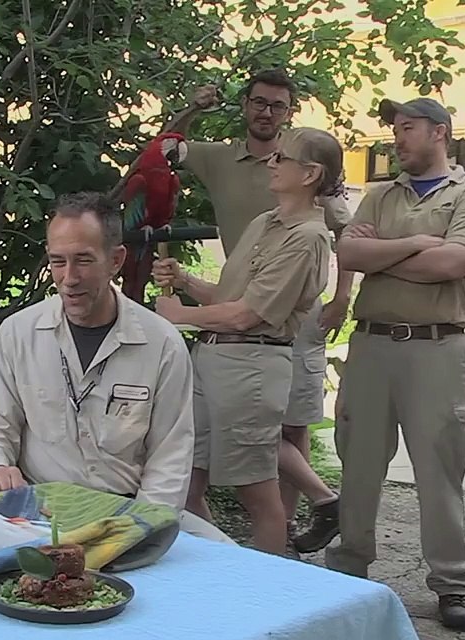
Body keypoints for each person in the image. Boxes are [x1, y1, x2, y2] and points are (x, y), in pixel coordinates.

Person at [0, 192, 229, 540]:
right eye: (57, 261)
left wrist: (138, 531)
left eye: (83, 261)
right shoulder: (19, 333)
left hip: (127, 514)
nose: (69, 277)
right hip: (34, 516)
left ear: (116, 260)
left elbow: (170, 457)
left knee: (239, 568)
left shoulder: (161, 344)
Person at [328, 97, 465, 630]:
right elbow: (349, 255)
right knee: (358, 464)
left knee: (439, 469)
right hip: (372, 346)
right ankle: (348, 571)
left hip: (437, 348)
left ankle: (452, 583)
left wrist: (390, 253)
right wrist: (419, 245)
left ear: (440, 133)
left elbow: (454, 261)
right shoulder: (379, 194)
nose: (396, 138)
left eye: (408, 128)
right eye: (395, 129)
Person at [169, 69, 350, 553]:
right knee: (187, 482)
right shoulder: (265, 222)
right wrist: (186, 283)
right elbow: (227, 299)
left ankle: (271, 592)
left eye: (284, 159)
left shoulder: (308, 238)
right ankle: (222, 572)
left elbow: (248, 316)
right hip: (215, 359)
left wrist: (177, 317)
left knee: (257, 495)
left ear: (309, 175)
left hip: (250, 367)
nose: (272, 162)